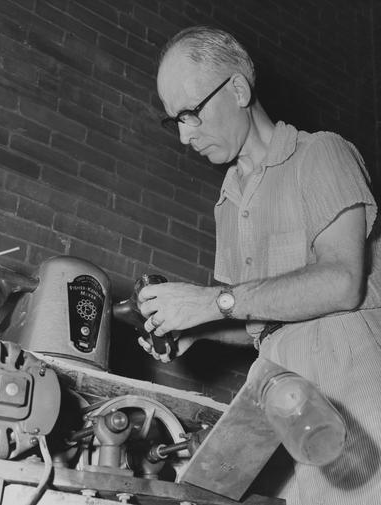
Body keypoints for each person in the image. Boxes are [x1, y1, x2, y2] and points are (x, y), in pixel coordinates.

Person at [137, 25, 381, 504]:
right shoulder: (227, 203)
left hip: (351, 387)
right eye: (175, 122)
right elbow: (257, 320)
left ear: (238, 89)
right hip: (279, 404)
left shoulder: (321, 154)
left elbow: (342, 282)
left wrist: (212, 300)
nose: (185, 136)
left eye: (191, 114)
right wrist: (198, 326)